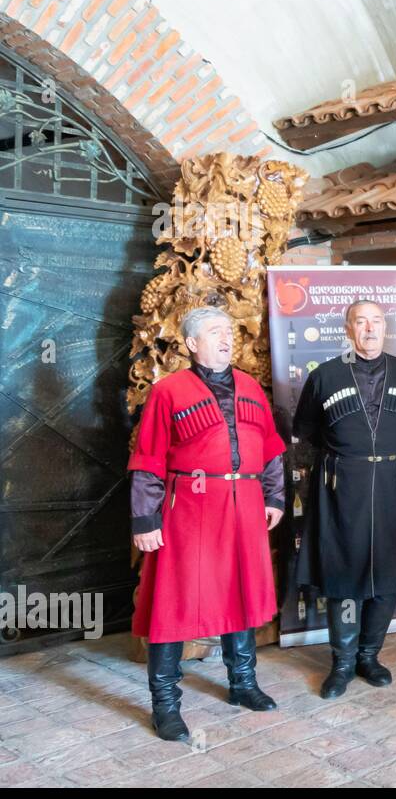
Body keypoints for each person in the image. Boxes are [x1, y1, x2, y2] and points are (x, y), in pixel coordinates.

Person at [129, 306, 286, 742]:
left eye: (229, 332)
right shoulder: (169, 391)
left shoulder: (252, 387)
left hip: (247, 506)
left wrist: (273, 496)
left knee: (242, 592)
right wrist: (145, 518)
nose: (226, 338)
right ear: (192, 343)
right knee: (173, 603)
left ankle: (243, 684)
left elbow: (272, 450)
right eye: (215, 332)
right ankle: (165, 704)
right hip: (190, 511)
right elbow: (148, 460)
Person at [293, 300, 396, 698]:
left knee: (388, 578)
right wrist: (314, 493)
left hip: (395, 488)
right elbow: (303, 442)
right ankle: (341, 664)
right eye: (361, 322)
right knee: (343, 580)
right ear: (348, 328)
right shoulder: (324, 376)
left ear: (385, 328)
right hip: (341, 493)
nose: (369, 329)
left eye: (376, 322)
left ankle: (369, 657)